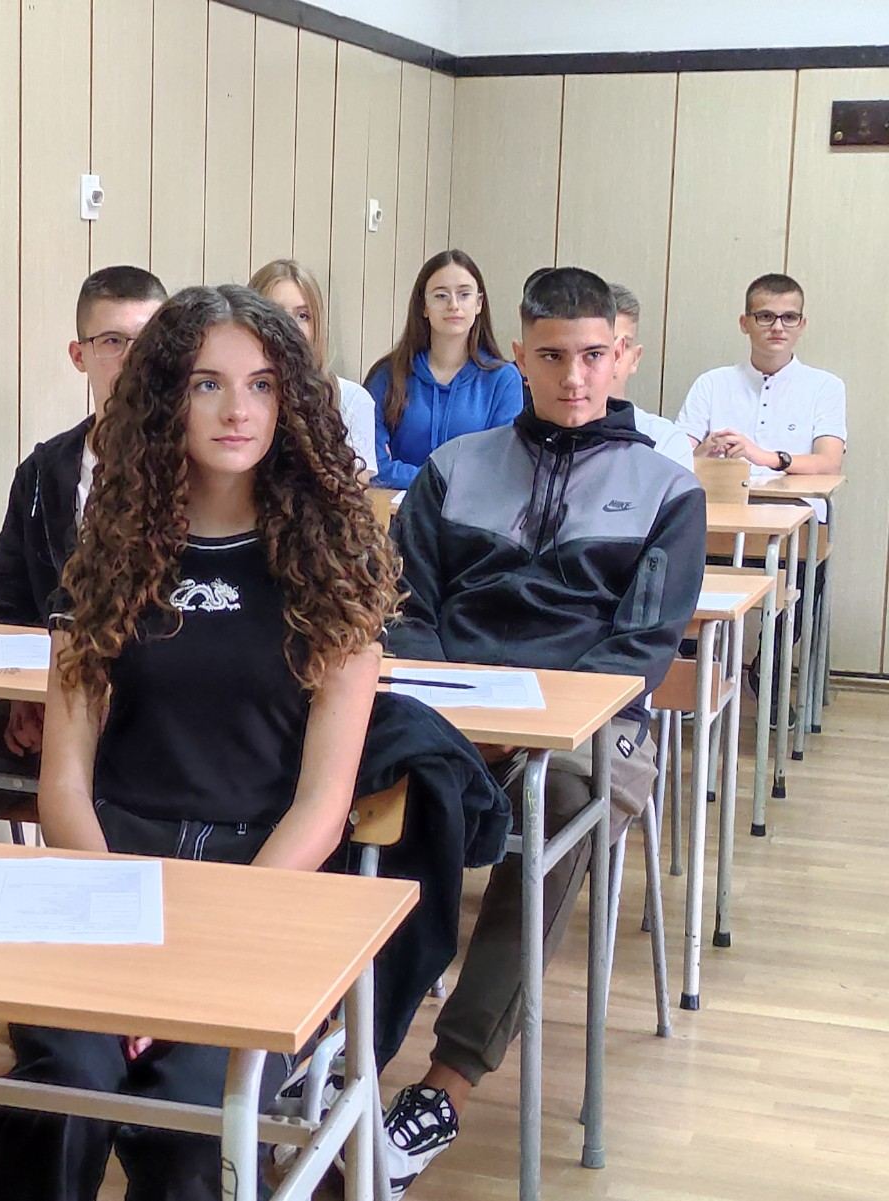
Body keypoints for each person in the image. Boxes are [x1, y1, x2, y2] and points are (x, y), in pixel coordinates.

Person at [0, 284, 400, 1201]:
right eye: (208, 383)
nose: (237, 409)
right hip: (111, 877)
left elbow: (324, 807)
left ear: (291, 402)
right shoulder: (108, 554)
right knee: (65, 1089)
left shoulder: (336, 565)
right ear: (167, 395)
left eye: (262, 385)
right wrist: (124, 935)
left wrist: (200, 949)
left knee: (186, 1121)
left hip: (260, 886)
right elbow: (64, 786)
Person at [382, 268, 705, 1197]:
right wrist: (461, 719)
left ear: (624, 357)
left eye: (594, 355)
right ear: (520, 357)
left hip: (588, 734)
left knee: (559, 802)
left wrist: (530, 729)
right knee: (352, 790)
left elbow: (637, 651)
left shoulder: (667, 491)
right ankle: (333, 1051)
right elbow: (406, 610)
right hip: (449, 716)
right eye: (554, 356)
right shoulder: (454, 469)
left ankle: (443, 1087)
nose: (575, 376)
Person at [0, 265, 167, 839]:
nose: (133, 359)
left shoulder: (202, 470)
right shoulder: (44, 471)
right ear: (79, 355)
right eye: (113, 341)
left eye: (149, 340)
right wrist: (22, 697)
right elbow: (9, 604)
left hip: (160, 717)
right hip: (47, 697)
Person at [675, 272, 846, 498]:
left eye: (789, 317)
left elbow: (830, 464)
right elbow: (673, 461)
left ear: (802, 325)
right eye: (765, 316)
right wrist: (704, 451)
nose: (778, 327)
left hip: (797, 510)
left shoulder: (825, 386)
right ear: (744, 323)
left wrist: (762, 456)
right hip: (721, 506)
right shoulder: (711, 383)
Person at [366, 249, 524, 488]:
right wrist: (450, 481)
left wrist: (410, 477)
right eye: (441, 296)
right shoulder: (388, 374)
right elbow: (372, 466)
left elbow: (498, 470)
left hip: (471, 510)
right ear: (424, 306)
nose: (453, 305)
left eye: (464, 294)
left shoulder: (503, 380)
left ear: (479, 303)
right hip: (394, 509)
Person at [248, 257, 377, 472]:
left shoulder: (351, 399)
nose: (290, 326)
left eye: (303, 316)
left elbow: (355, 486)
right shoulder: (239, 397)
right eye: (276, 313)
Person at [608, 281, 695, 469]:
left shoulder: (665, 440)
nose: (613, 357)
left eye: (624, 346)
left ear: (635, 359)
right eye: (597, 350)